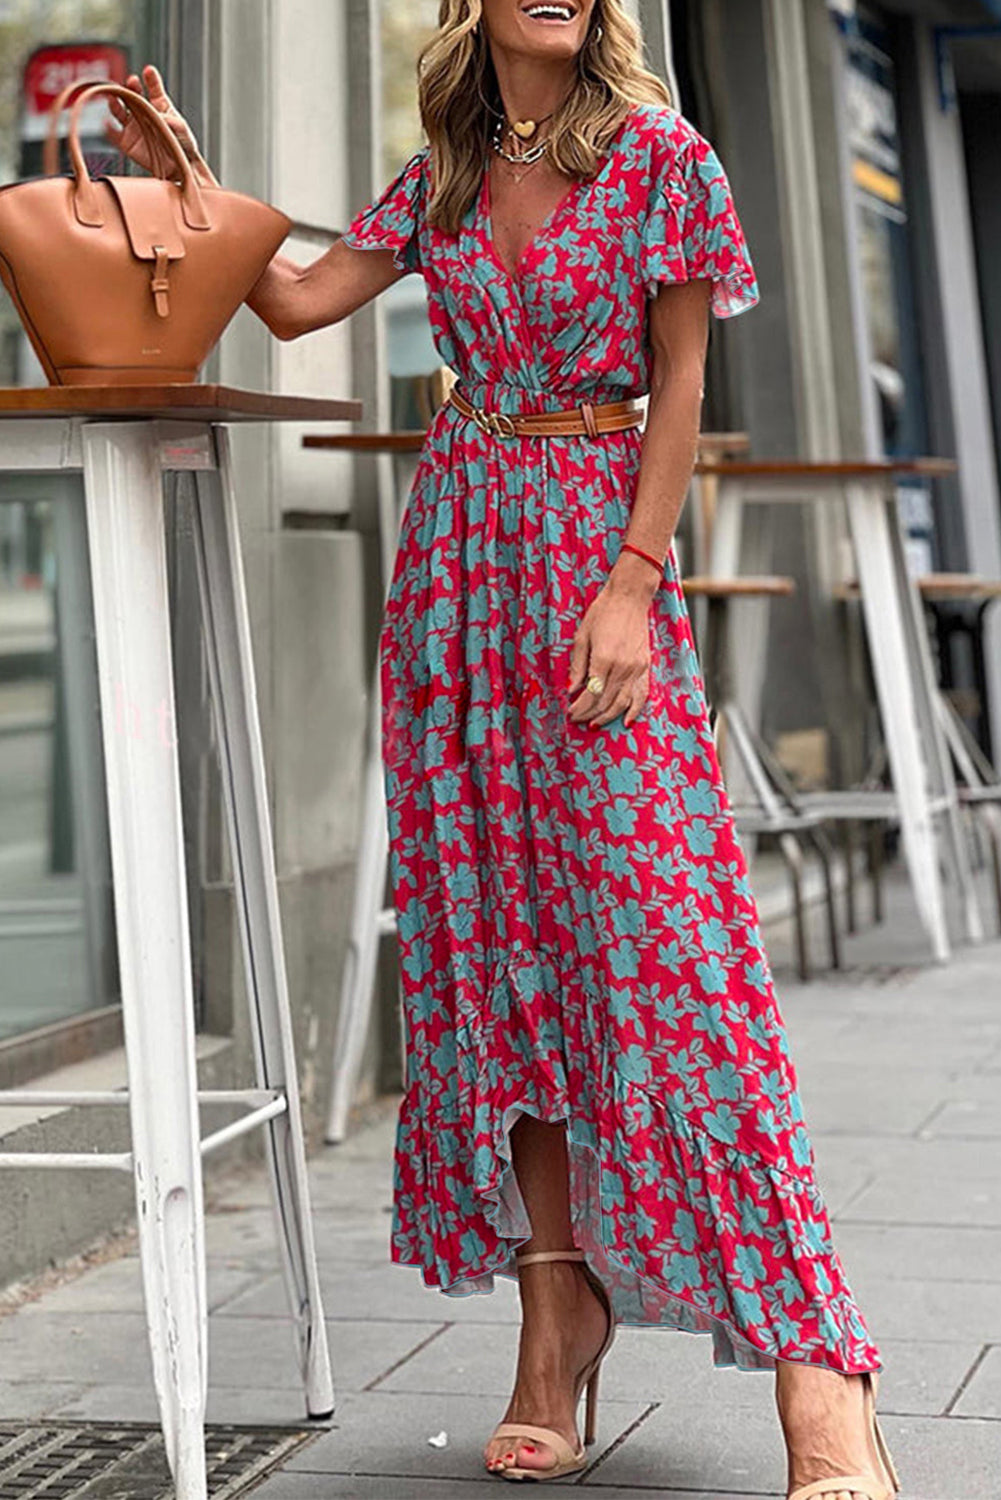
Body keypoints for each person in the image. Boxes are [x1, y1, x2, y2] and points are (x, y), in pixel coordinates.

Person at [109, 6, 900, 1496]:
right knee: (497, 947)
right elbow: (286, 302)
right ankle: (557, 1314)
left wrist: (633, 581)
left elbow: (680, 384)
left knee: (675, 958)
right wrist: (191, 187)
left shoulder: (663, 155)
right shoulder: (445, 174)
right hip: (458, 573)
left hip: (595, 555)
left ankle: (821, 1362)